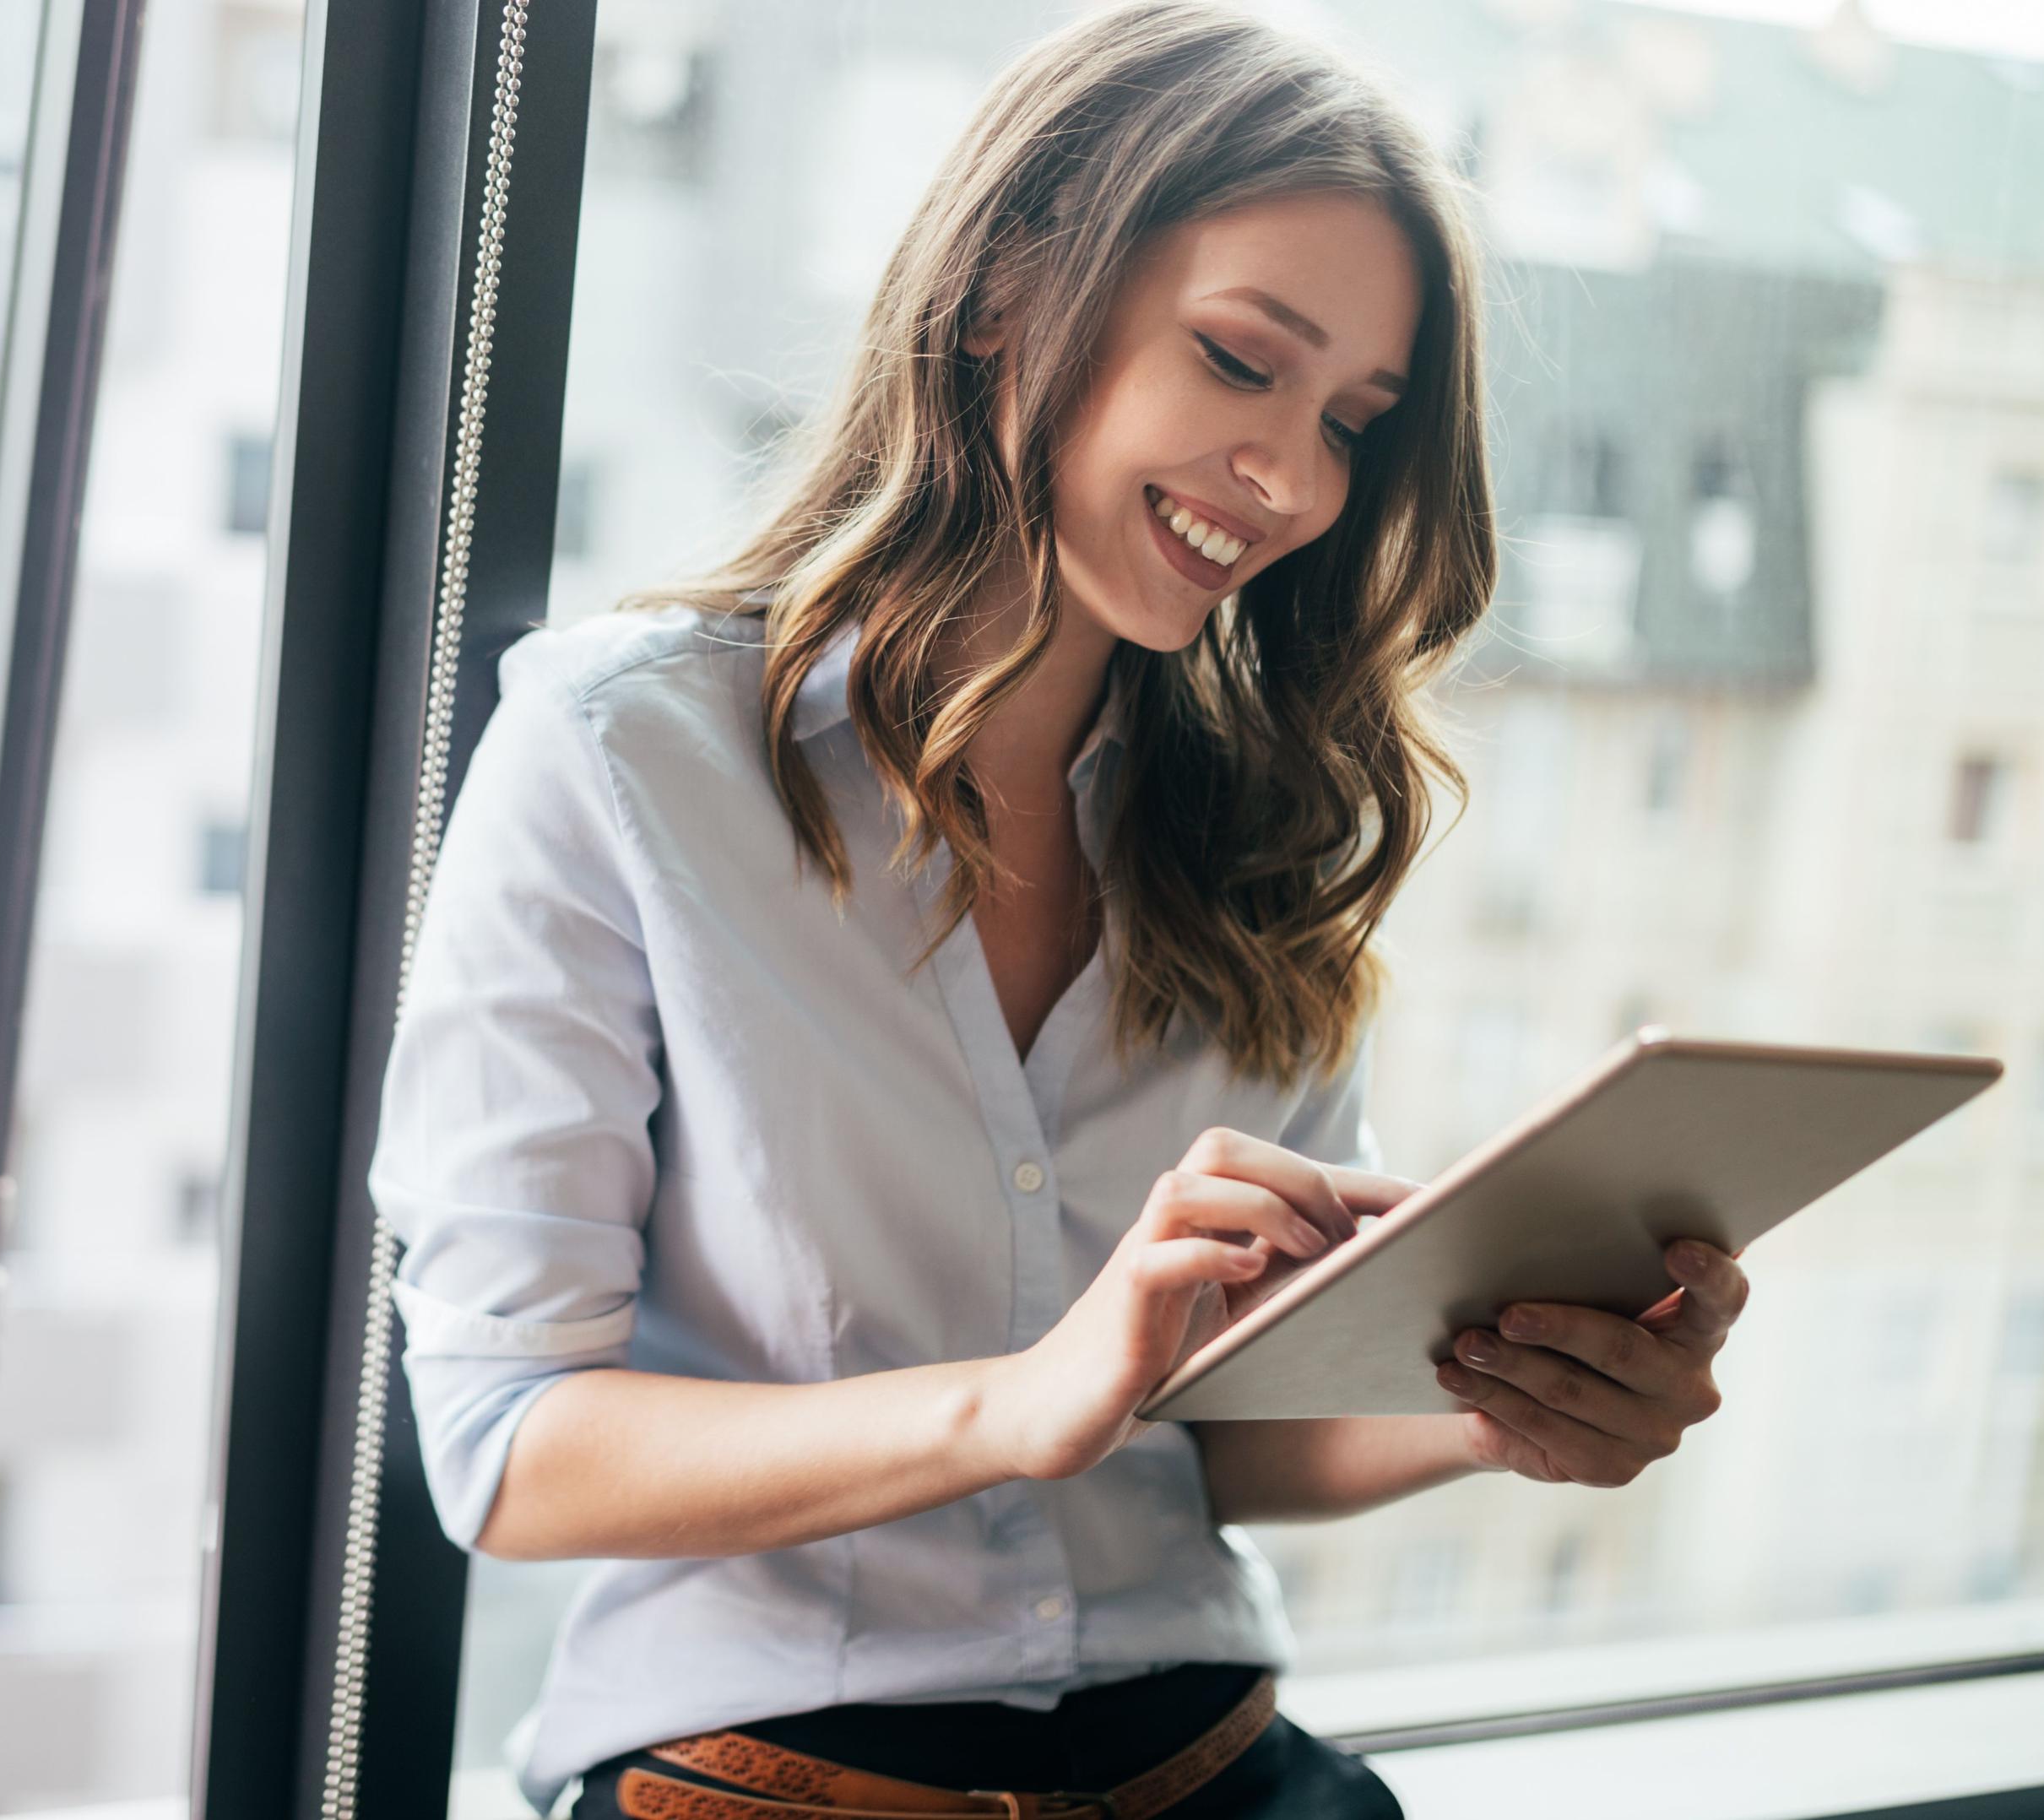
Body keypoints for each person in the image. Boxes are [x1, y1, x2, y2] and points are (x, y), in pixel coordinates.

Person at [370, 4, 1750, 1814]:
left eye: (1350, 421)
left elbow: (1224, 1437)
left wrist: (1509, 1411)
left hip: (1226, 1765)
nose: (1297, 480)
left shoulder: (1256, 823)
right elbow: (505, 1444)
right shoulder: (622, 753)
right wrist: (1019, 1397)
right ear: (1013, 283)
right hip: (767, 1770)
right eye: (1242, 360)